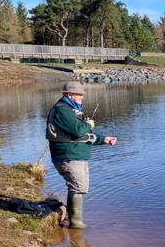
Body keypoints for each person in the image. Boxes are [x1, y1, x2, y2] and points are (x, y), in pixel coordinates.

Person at [46, 81, 117, 228]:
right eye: (79, 95)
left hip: (76, 155)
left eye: (82, 94)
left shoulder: (72, 111)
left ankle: (73, 221)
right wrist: (89, 124)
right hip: (68, 156)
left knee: (80, 187)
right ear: (69, 95)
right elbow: (79, 130)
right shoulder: (63, 110)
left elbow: (84, 136)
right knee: (78, 187)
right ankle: (76, 223)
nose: (82, 97)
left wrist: (104, 140)